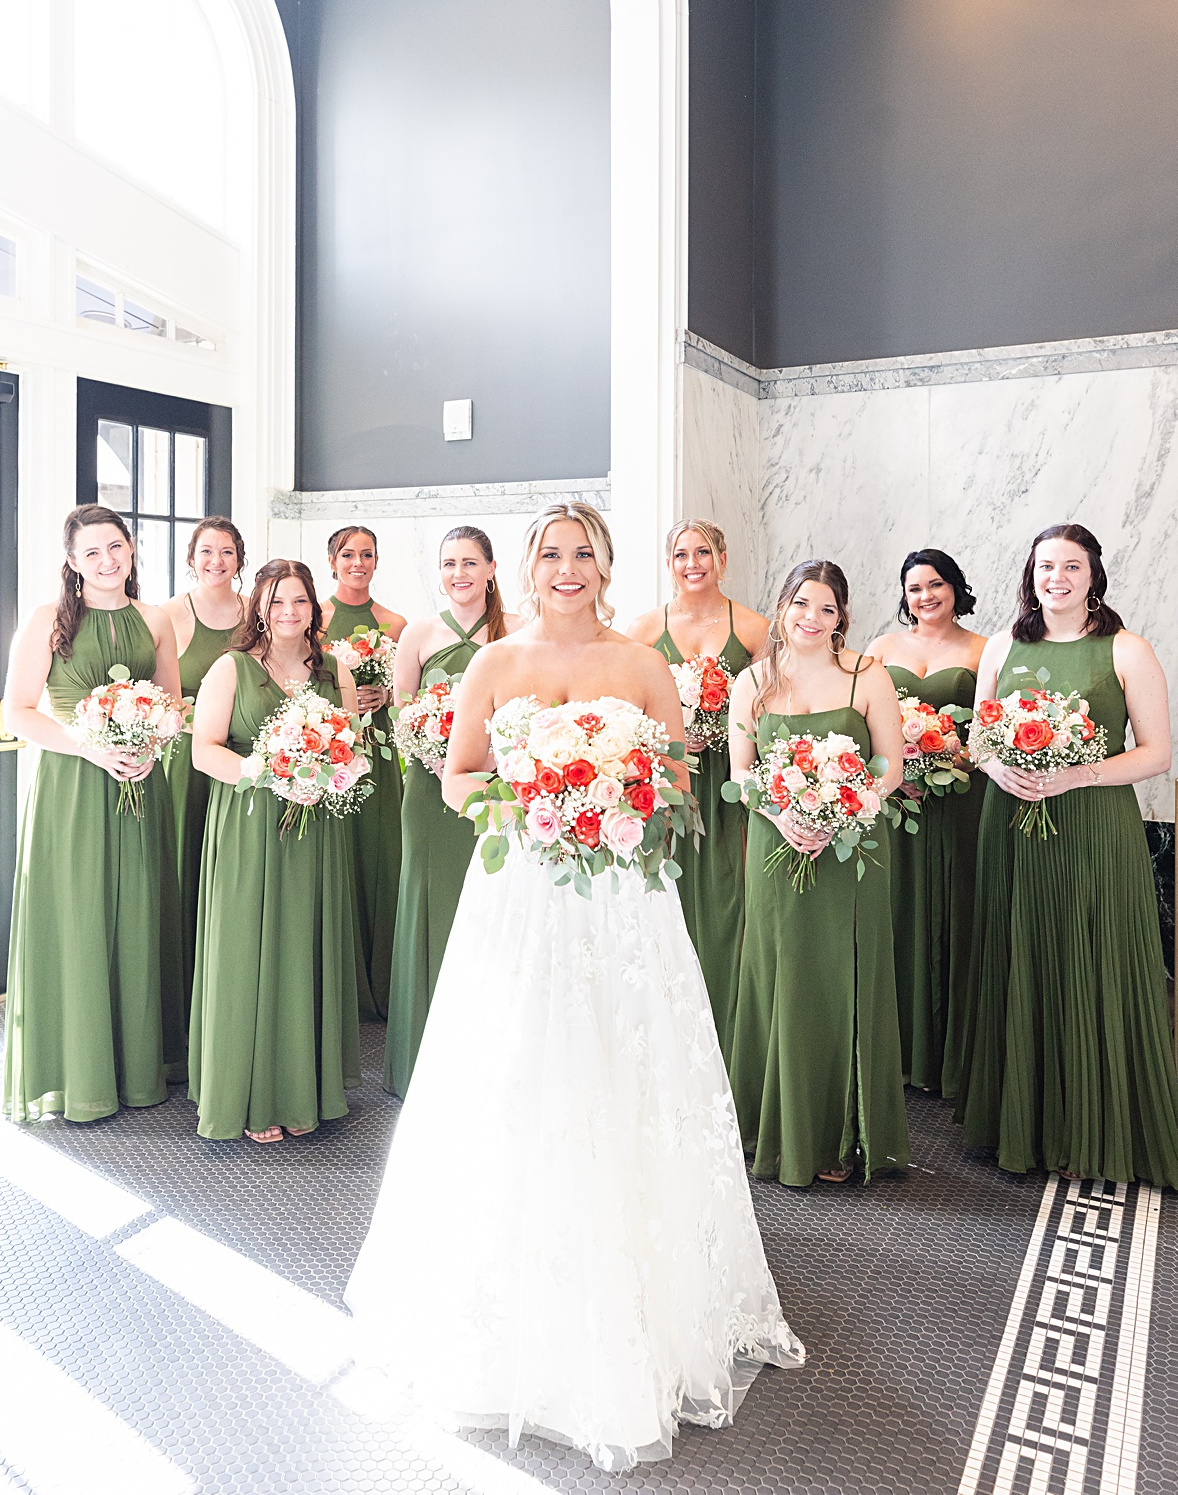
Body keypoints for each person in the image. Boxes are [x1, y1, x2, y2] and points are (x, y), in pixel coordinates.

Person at [346, 504, 803, 1470]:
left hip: (625, 904)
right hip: (519, 894)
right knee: (517, 1075)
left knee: (621, 1072)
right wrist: (536, 801)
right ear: (531, 565)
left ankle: (647, 1298)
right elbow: (456, 779)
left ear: (605, 564)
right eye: (549, 553)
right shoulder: (492, 663)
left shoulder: (642, 667)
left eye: (582, 552)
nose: (566, 567)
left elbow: (677, 777)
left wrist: (610, 799)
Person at [955, 523, 1178, 1185]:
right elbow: (978, 740)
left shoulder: (1126, 649)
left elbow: (1157, 752)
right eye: (1045, 566)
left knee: (1092, 958)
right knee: (1019, 955)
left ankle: (1098, 1127)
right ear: (1031, 574)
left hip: (1094, 828)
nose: (1057, 577)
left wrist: (1075, 774)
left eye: (1071, 567)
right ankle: (1020, 1125)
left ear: (1093, 576)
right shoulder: (1001, 645)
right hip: (1012, 826)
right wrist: (1000, 772)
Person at [2, 504, 185, 1122]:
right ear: (73, 563)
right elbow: (17, 712)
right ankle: (79, 1072)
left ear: (131, 549)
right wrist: (92, 746)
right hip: (74, 787)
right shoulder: (47, 620)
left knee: (137, 912)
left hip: (140, 783)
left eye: (115, 547)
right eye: (91, 553)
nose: (106, 562)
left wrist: (148, 743)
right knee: (81, 916)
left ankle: (139, 1068)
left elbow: (174, 705)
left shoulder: (154, 619)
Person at [728, 560, 909, 1186]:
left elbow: (891, 768)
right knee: (781, 976)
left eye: (827, 610)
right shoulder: (751, 681)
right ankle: (771, 1131)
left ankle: (841, 1137)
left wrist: (843, 809)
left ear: (842, 619)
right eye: (802, 604)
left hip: (852, 853)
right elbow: (741, 776)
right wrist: (784, 817)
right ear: (782, 607)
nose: (812, 618)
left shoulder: (867, 676)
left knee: (843, 977)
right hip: (776, 848)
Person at [188, 560, 361, 1142]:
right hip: (249, 824)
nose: (289, 613)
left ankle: (303, 1085)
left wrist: (325, 771)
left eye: (301, 603)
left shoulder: (334, 671)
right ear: (258, 606)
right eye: (277, 601)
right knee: (247, 952)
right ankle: (252, 1092)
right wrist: (267, 773)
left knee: (301, 946)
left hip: (315, 830)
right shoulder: (230, 668)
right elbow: (204, 751)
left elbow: (353, 747)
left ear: (316, 609)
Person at [382, 526, 520, 1098]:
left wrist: (487, 762)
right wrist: (438, 758)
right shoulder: (417, 633)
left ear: (491, 567)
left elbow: (529, 713)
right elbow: (400, 714)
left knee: (495, 903)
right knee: (427, 900)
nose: (458, 573)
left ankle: (488, 1053)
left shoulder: (515, 634)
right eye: (447, 564)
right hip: (428, 791)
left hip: (497, 791)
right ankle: (418, 1055)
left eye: (468, 562)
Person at [627, 520, 768, 1061]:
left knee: (730, 899)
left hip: (727, 783)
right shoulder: (643, 629)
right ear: (669, 563)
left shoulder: (754, 629)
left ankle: (730, 1032)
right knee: (666, 897)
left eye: (703, 552)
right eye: (681, 554)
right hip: (666, 782)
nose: (693, 563)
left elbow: (766, 708)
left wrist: (719, 728)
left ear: (723, 557)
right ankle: (664, 1033)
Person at [867, 550, 986, 1098]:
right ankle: (896, 1052)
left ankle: (951, 1058)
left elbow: (993, 732)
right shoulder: (881, 650)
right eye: (914, 588)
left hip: (960, 800)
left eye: (936, 585)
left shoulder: (984, 650)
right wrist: (898, 764)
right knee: (896, 910)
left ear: (956, 588)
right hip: (896, 803)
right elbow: (861, 719)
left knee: (954, 911)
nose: (926, 597)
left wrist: (947, 758)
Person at [161, 518, 246, 1020]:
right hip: (188, 763)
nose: (217, 561)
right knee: (185, 863)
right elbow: (158, 694)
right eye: (207, 552)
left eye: (228, 552)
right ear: (191, 557)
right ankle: (182, 991)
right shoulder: (171, 614)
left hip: (241, 761)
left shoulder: (255, 612)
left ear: (240, 559)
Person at [320, 526, 406, 1022]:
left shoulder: (393, 623)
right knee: (342, 856)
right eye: (348, 554)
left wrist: (384, 696)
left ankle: (382, 982)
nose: (358, 562)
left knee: (378, 855)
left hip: (378, 749)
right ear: (332, 560)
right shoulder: (316, 619)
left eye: (367, 554)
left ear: (378, 561)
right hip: (333, 749)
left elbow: (407, 689)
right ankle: (341, 981)